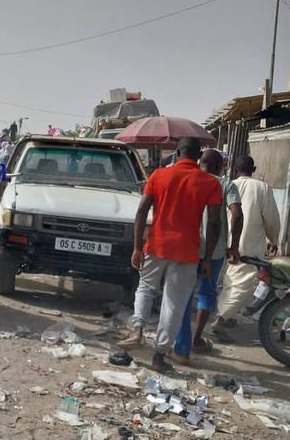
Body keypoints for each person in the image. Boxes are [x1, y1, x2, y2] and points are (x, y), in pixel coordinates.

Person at [120, 137, 222, 372]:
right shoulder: (210, 183)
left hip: (156, 245)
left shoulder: (158, 175)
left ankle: (137, 330)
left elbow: (141, 211)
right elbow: (214, 223)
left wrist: (137, 246)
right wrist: (207, 258)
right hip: (187, 251)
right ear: (198, 156)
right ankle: (159, 356)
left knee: (145, 287)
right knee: (174, 304)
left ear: (177, 152)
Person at [170, 149, 243, 364]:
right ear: (221, 166)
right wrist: (234, 246)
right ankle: (196, 339)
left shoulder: (187, 180)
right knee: (206, 293)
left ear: (200, 163)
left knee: (182, 295)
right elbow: (237, 214)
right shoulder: (226, 184)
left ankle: (181, 344)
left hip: (187, 247)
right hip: (216, 250)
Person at [212, 155, 281, 339]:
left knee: (230, 280)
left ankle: (228, 316)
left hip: (223, 242)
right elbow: (272, 218)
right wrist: (273, 240)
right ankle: (221, 319)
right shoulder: (262, 188)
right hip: (247, 243)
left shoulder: (227, 185)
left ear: (235, 169)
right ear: (254, 169)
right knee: (243, 284)